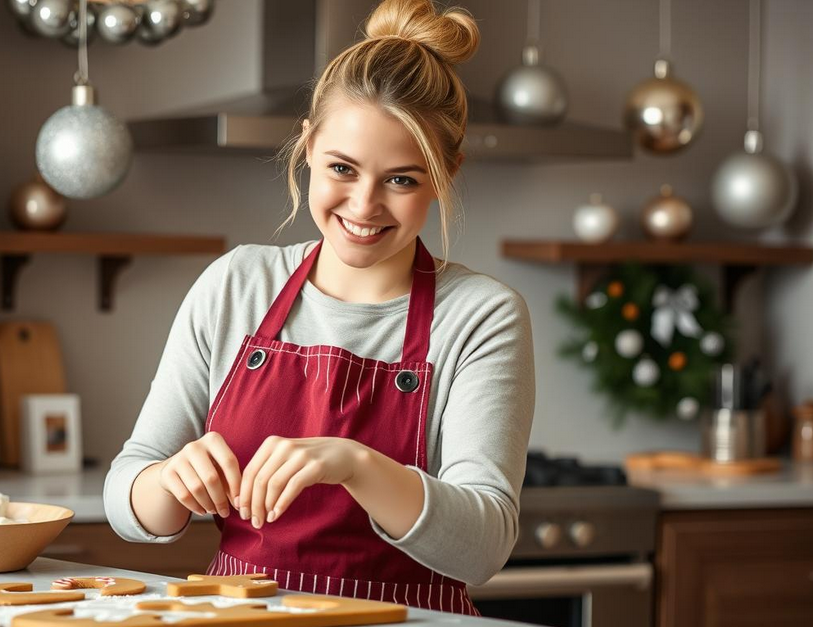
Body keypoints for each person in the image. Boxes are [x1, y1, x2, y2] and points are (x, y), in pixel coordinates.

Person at [103, 0, 535, 616]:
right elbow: (127, 493)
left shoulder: (482, 316)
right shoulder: (236, 285)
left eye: (402, 179)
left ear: (446, 174)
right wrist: (171, 481)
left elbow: (483, 547)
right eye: (342, 168)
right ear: (307, 146)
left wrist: (357, 465)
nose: (364, 205)